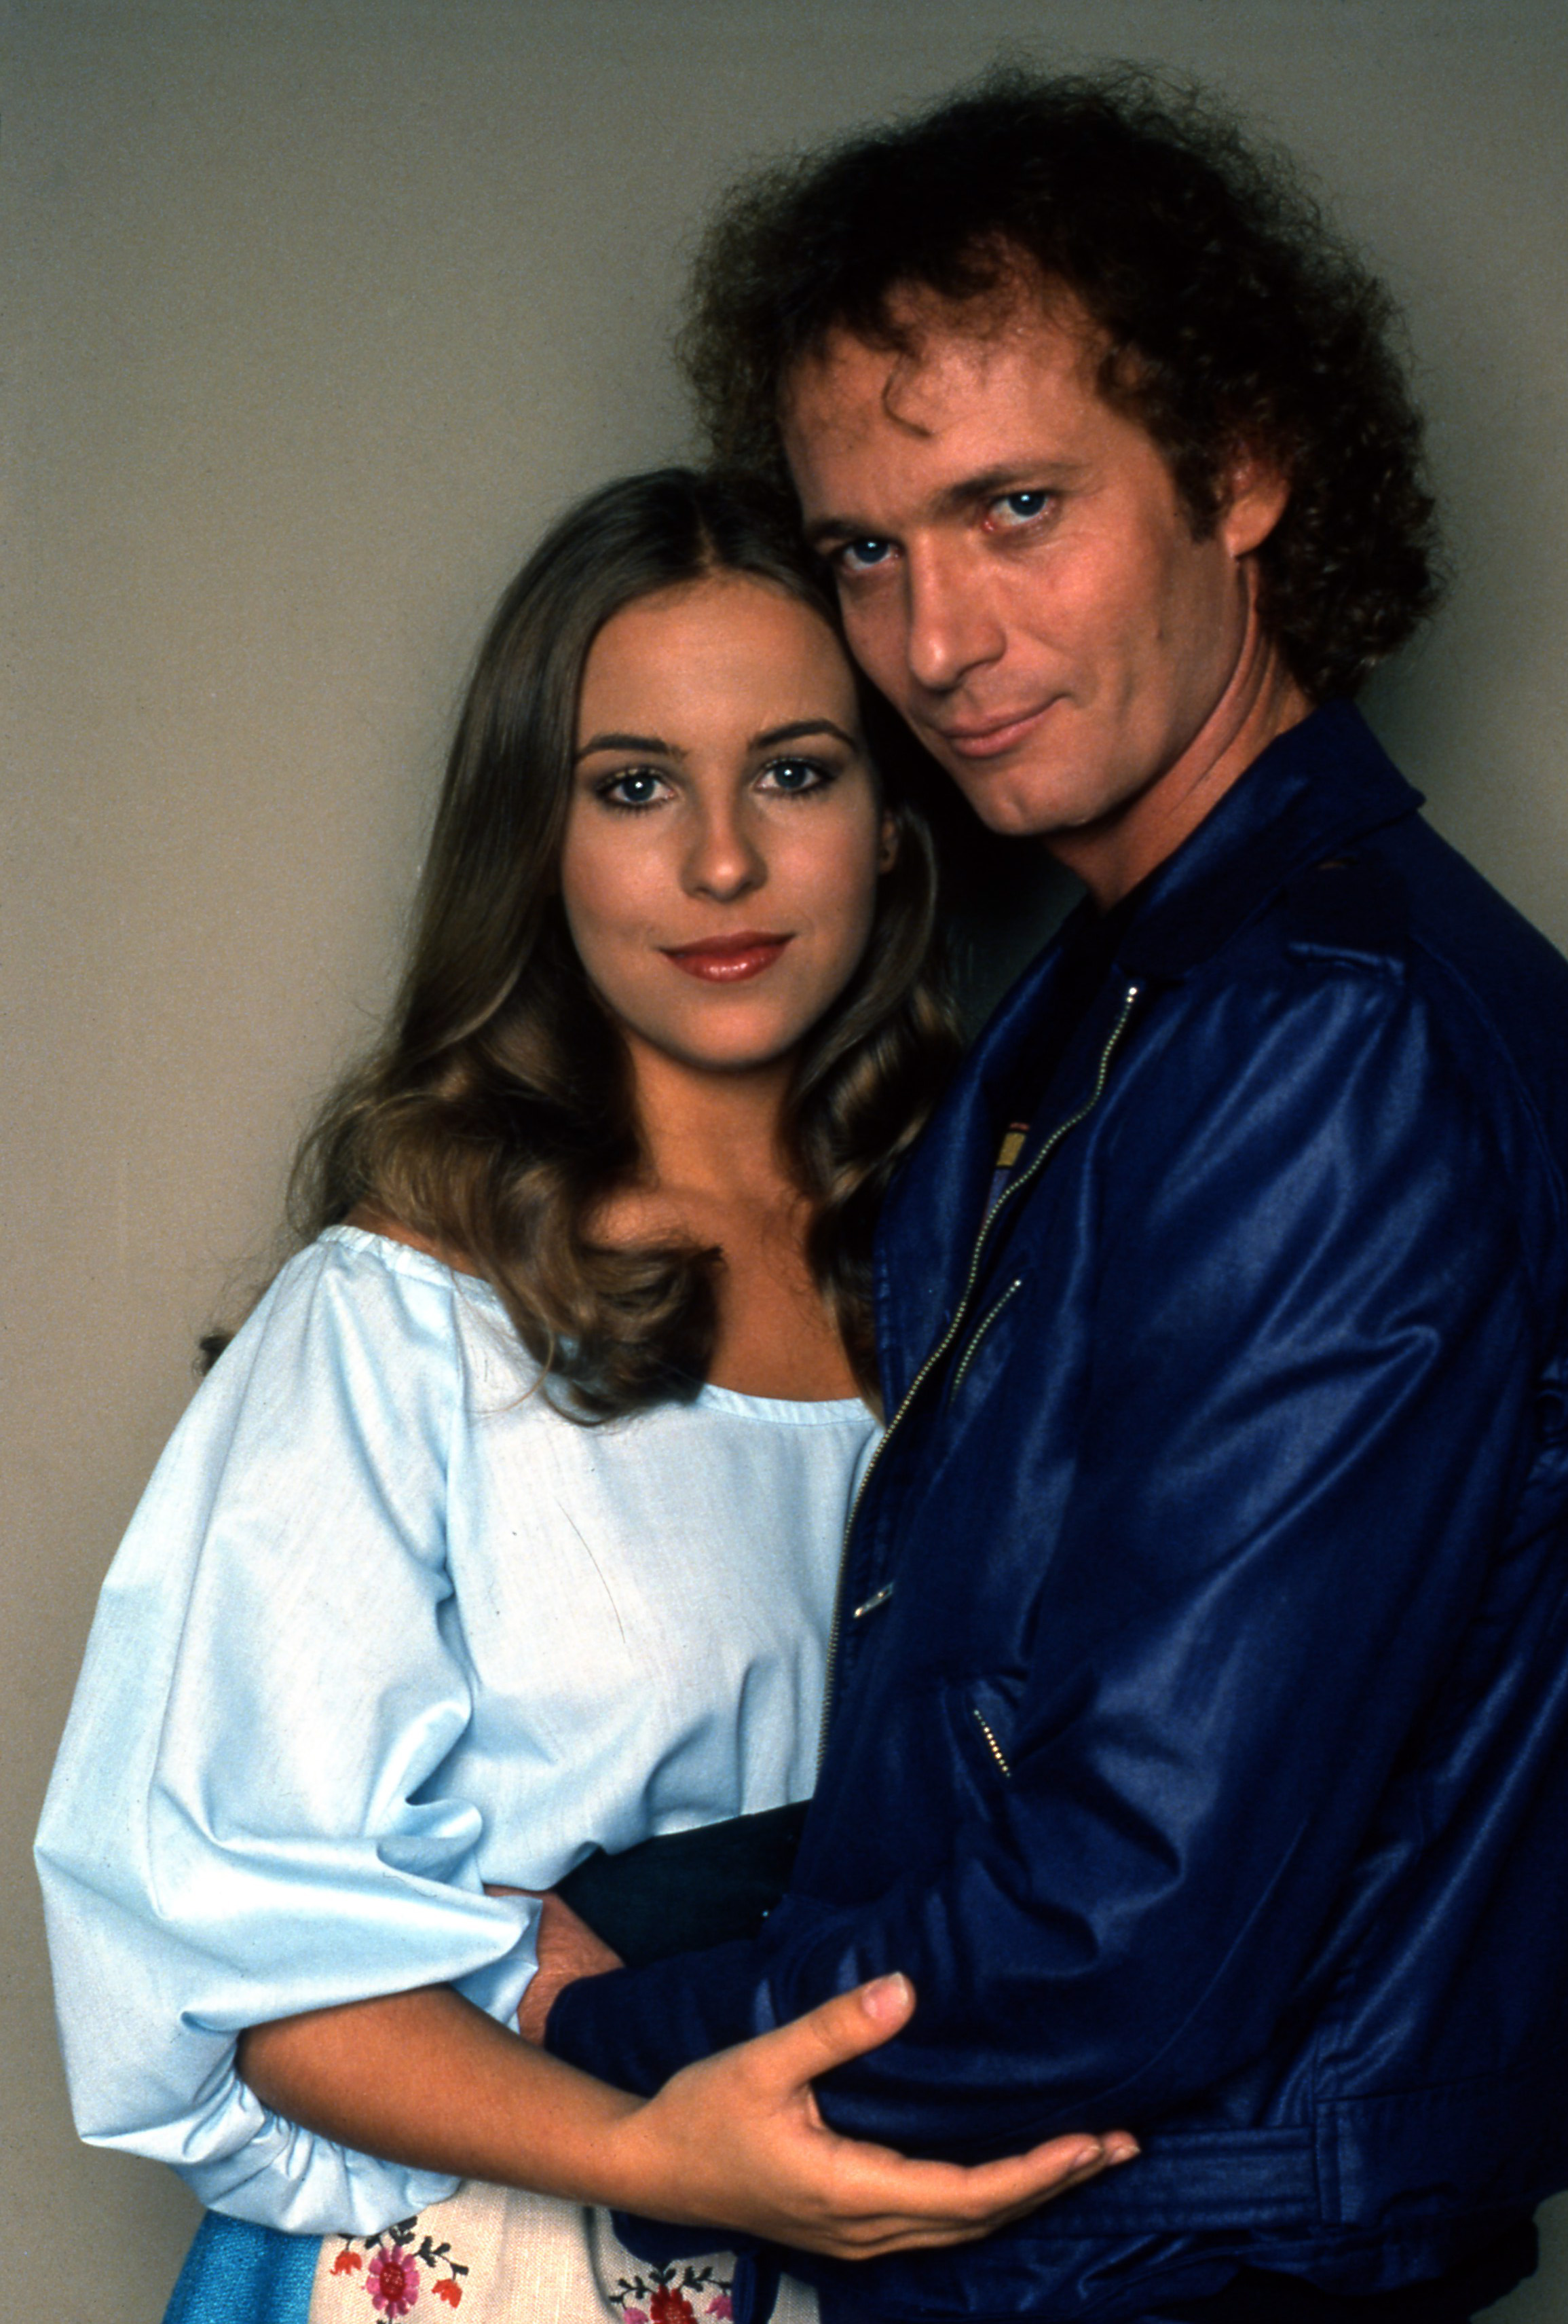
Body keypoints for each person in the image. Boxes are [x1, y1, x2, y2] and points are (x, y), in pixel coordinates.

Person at [537, 70, 1568, 2324]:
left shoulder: (1330, 1034)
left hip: (1188, 2271)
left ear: (1238, 471)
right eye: (866, 546)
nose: (933, 639)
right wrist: (628, 1921)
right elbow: (1016, 1728)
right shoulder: (1114, 1005)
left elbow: (1129, 1928)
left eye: (1013, 508)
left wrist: (588, 2043)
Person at [34, 468, 1135, 2324]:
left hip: (940, 2257)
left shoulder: (993, 1282)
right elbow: (257, 1963)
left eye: (794, 769)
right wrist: (650, 2154)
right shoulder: (401, 1321)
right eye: (633, 786)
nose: (720, 862)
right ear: (531, 840)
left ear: (892, 822)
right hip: (524, 2254)